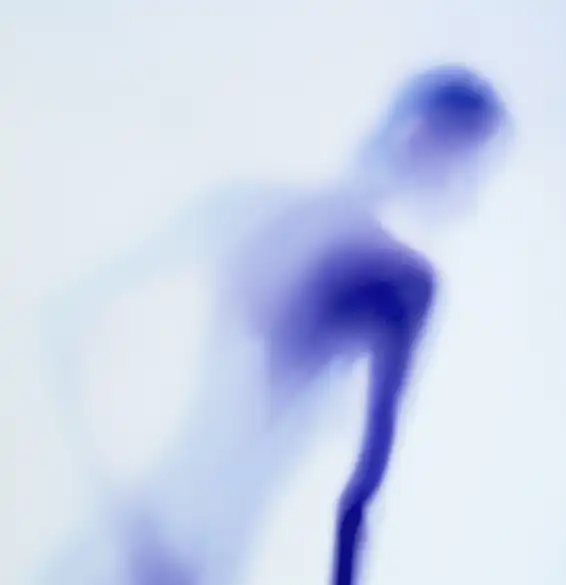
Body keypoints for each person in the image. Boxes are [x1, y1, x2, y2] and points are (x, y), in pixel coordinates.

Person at [41, 63, 509, 585]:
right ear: (424, 134)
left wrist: (126, 519)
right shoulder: (402, 283)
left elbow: (62, 322)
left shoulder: (243, 203)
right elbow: (359, 496)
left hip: (130, 537)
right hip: (196, 553)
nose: (469, 182)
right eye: (469, 159)